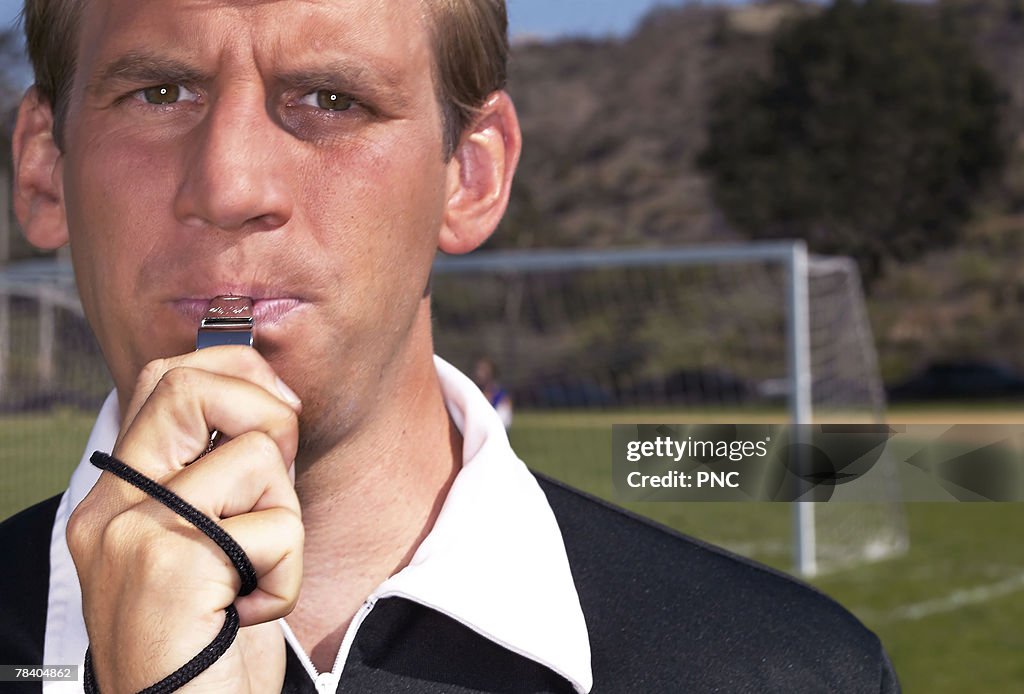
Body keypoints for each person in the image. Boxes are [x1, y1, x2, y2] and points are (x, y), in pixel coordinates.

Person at [0, 0, 900, 692]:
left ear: (470, 176)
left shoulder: (783, 671)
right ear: (44, 167)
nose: (231, 182)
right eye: (160, 92)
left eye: (330, 98)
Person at [473, 356, 513, 430]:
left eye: (483, 370)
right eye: (478, 369)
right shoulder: (472, 394)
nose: (478, 373)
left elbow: (503, 423)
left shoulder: (501, 397)